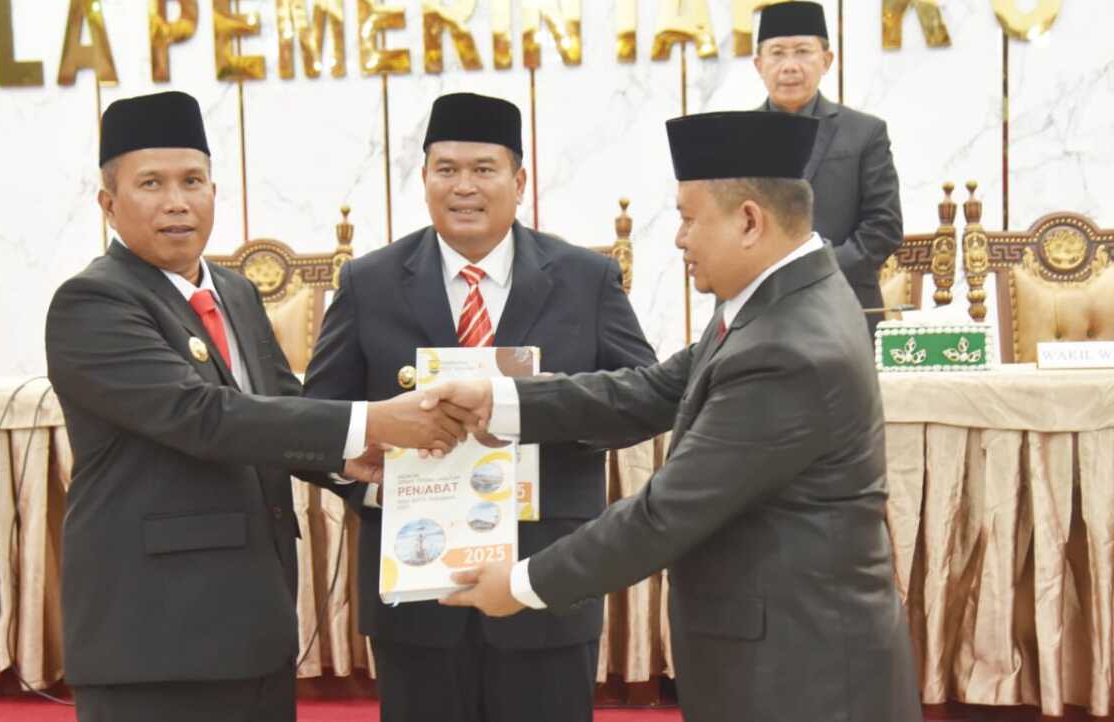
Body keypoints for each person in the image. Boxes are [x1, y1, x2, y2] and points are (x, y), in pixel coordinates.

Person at [433, 110, 922, 722]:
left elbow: (663, 515)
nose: (678, 239)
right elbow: (647, 390)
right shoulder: (775, 302)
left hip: (801, 676)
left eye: (689, 219)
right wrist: (499, 400)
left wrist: (523, 584)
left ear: (749, 220)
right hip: (773, 656)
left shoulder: (790, 347)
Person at [44, 91, 470, 722]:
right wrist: (372, 420)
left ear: (215, 190)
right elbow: (203, 415)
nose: (176, 202)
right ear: (109, 204)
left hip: (255, 627)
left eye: (192, 181)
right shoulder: (94, 302)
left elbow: (281, 403)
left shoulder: (235, 292)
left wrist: (359, 460)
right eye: (151, 184)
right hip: (154, 636)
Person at [302, 92, 657, 722]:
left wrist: (539, 407)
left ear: (519, 181)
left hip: (547, 576)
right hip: (416, 587)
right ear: (425, 179)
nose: (464, 187)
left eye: (484, 169)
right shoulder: (369, 283)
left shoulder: (586, 279)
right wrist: (386, 489)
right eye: (447, 169)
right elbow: (316, 424)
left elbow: (642, 401)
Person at [754, 0, 902, 334]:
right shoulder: (736, 137)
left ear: (826, 60)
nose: (790, 65)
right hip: (758, 315)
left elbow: (884, 227)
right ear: (758, 64)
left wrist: (811, 272)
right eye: (777, 53)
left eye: (803, 51)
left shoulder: (865, 133)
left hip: (844, 310)